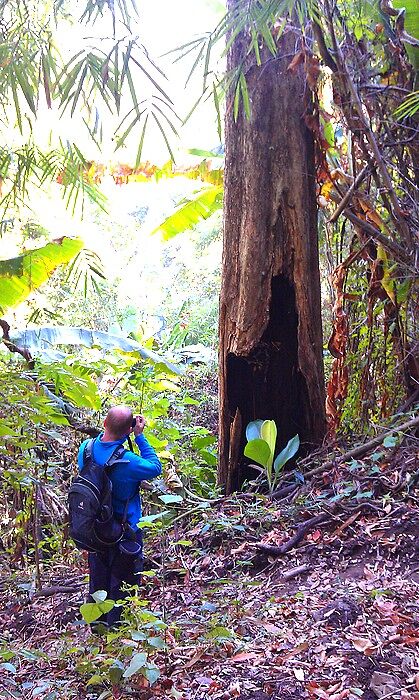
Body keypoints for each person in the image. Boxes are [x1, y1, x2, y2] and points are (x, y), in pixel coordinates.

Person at [77, 405, 161, 627]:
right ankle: (118, 635)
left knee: (98, 583)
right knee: (123, 586)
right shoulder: (129, 462)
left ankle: (98, 631)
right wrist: (140, 437)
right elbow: (155, 467)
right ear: (128, 431)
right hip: (125, 532)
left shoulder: (85, 449)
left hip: (95, 530)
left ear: (104, 423)